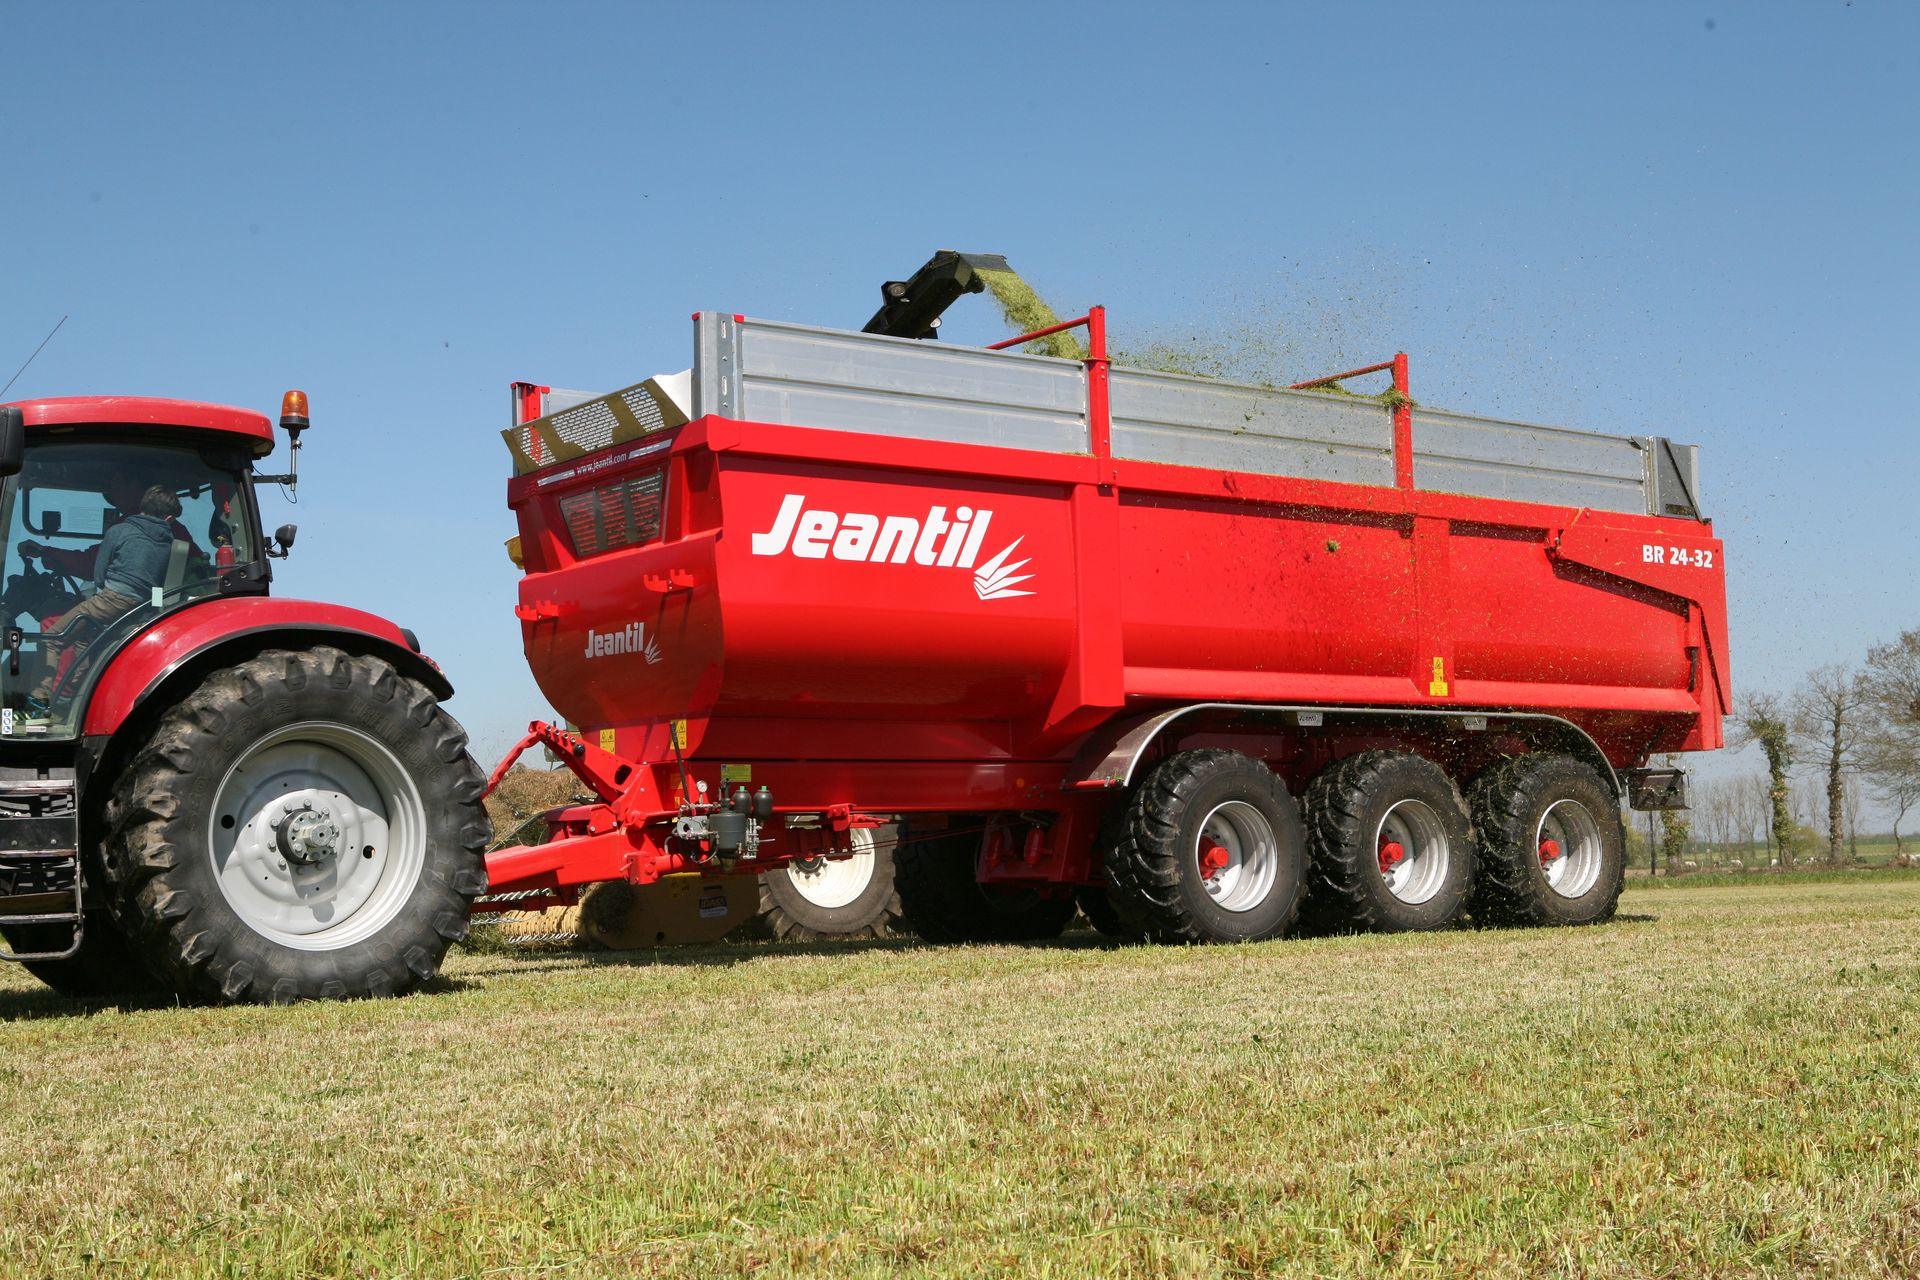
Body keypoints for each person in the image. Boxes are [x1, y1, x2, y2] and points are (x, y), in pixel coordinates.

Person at [27, 486, 184, 714]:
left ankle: (37, 706)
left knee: (52, 638)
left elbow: (98, 575)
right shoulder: (167, 541)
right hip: (141, 606)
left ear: (143, 507)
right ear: (168, 518)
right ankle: (73, 701)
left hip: (112, 599)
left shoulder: (120, 531)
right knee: (82, 640)